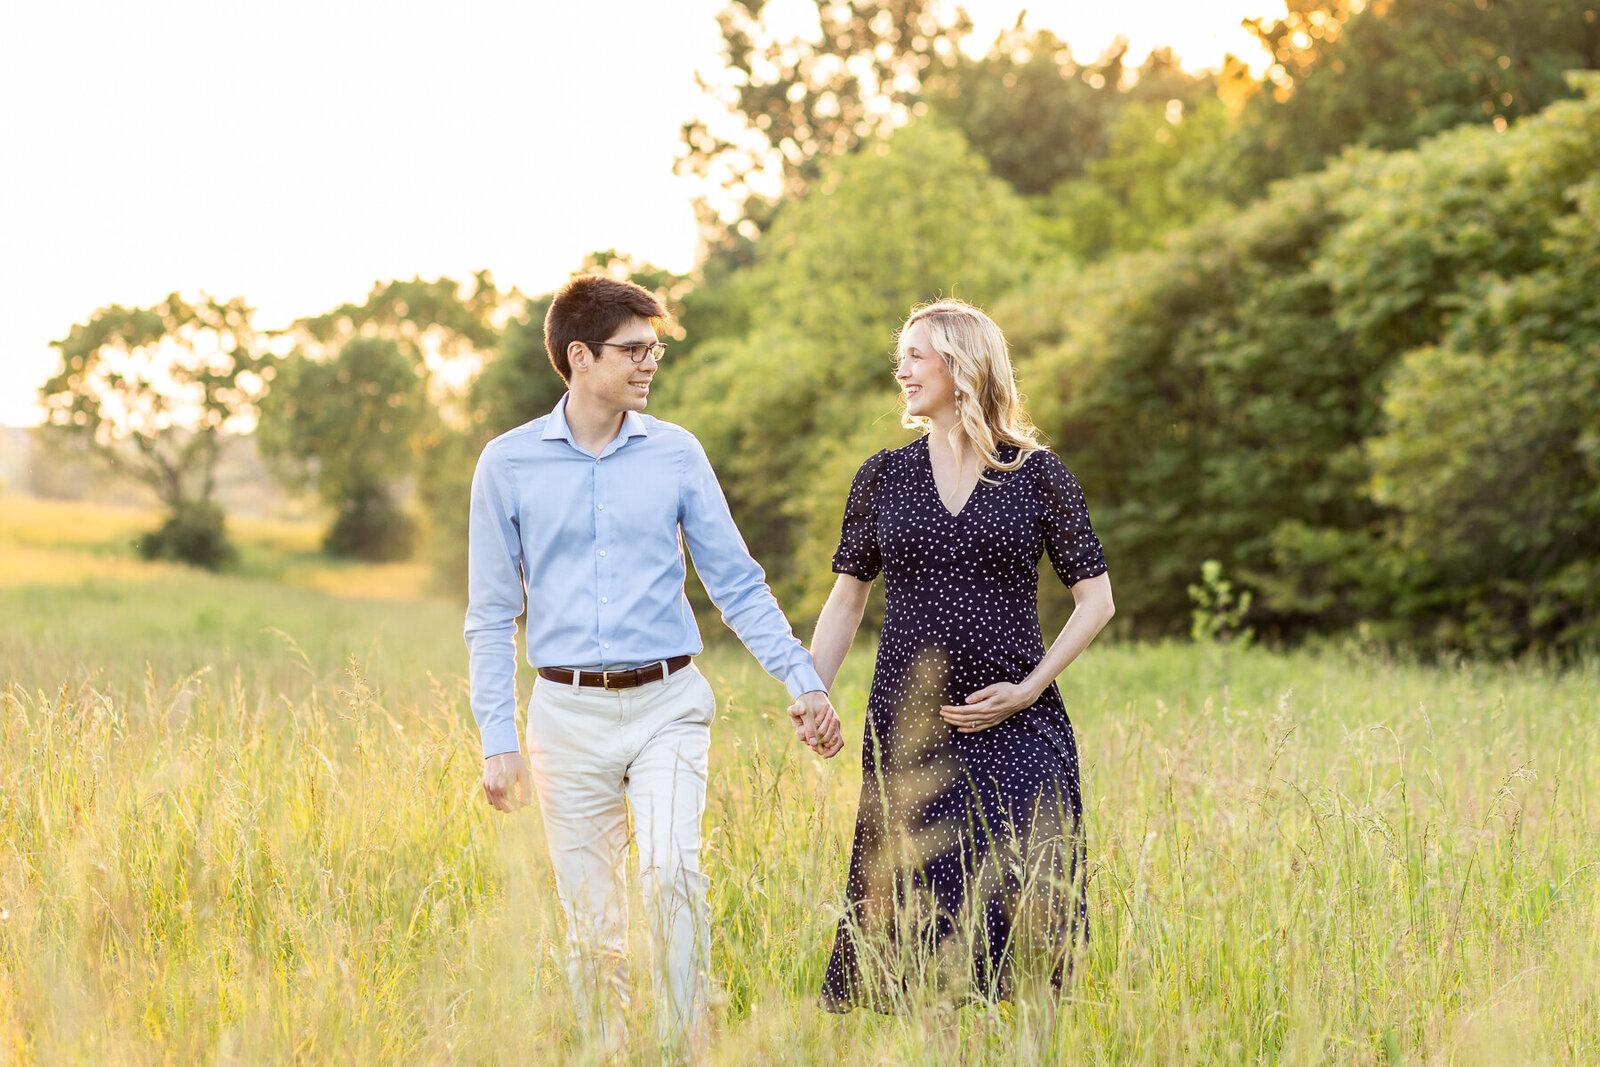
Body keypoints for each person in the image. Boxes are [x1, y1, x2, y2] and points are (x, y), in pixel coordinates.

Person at [464, 274, 844, 1059]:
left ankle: (683, 1046)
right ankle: (606, 1049)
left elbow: (735, 580)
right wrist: (497, 737)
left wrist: (803, 679)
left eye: (655, 349)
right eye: (633, 350)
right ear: (580, 356)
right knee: (592, 919)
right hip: (564, 719)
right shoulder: (507, 464)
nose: (650, 364)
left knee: (672, 873)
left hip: (668, 702)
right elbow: (492, 613)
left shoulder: (677, 453)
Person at [798, 298, 1115, 1013]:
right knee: (919, 918)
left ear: (963, 362)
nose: (901, 369)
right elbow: (847, 598)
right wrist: (812, 689)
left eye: (917, 354)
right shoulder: (883, 475)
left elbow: (1096, 601)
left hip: (1018, 727)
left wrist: (1029, 689)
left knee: (1024, 910)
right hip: (911, 731)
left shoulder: (1037, 474)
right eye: (900, 356)